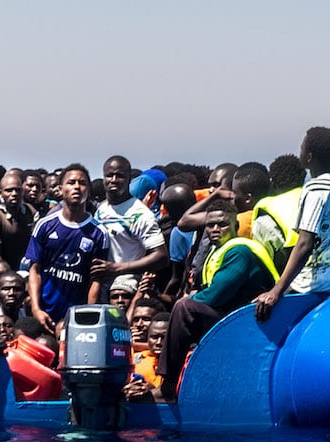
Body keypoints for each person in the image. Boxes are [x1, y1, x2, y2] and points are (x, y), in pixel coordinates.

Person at [157, 200, 277, 401]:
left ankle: (168, 386)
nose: (215, 229)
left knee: (185, 307)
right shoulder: (217, 252)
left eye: (222, 224)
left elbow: (215, 296)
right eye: (210, 225)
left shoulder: (239, 252)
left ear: (235, 227)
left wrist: (191, 296)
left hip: (249, 322)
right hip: (230, 318)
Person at [253, 127, 330, 322]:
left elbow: (304, 244)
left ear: (308, 157)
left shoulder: (315, 189)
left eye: (301, 148)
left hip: (325, 283)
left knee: (263, 306)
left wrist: (276, 291)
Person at [22, 164, 111, 331]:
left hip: (75, 317)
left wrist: (86, 317)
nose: (77, 187)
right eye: (71, 182)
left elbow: (96, 280)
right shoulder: (45, 225)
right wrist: (36, 309)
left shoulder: (99, 233)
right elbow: (35, 270)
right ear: (61, 189)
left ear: (88, 190)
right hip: (44, 312)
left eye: (82, 183)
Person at [90, 155, 168, 294]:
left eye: (119, 176)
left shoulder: (140, 214)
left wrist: (117, 268)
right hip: (100, 285)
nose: (114, 180)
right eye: (109, 175)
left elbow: (161, 256)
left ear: (129, 179)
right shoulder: (101, 209)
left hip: (126, 288)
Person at [251, 153, 307, 271]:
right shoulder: (316, 197)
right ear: (303, 178)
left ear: (272, 181)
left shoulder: (266, 211)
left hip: (288, 275)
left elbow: (263, 257)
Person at [0, 171, 36, 270]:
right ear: (0, 192)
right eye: (9, 190)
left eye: (17, 190)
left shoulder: (30, 212)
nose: (14, 194)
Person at [123, 311, 170, 402]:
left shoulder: (183, 363)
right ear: (148, 338)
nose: (158, 342)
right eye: (154, 337)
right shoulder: (133, 359)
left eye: (164, 337)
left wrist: (152, 391)